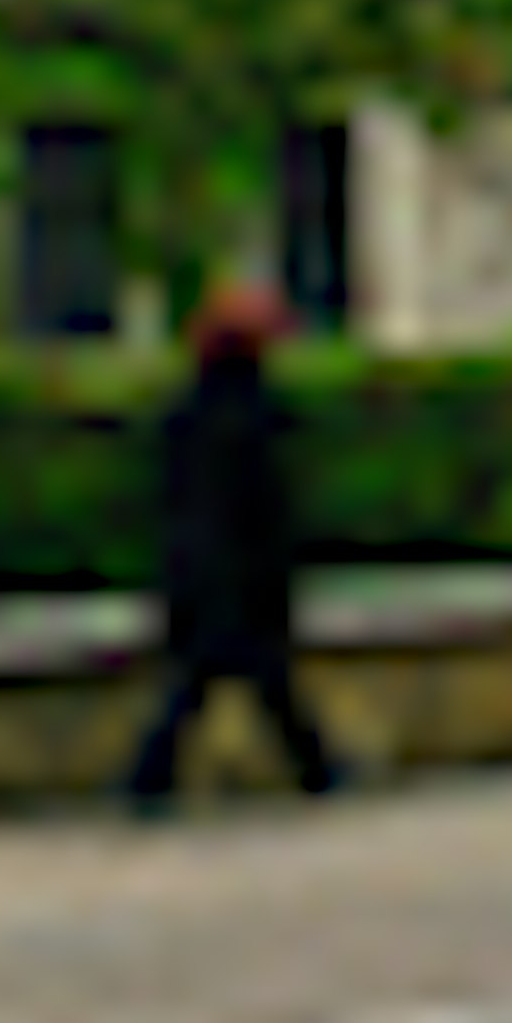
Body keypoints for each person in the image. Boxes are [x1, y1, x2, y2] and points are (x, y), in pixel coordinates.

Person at [119, 277, 346, 813]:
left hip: (199, 569)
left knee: (214, 682)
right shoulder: (252, 413)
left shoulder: (187, 410)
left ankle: (313, 768)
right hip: (236, 573)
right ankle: (313, 770)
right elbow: (264, 502)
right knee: (237, 679)